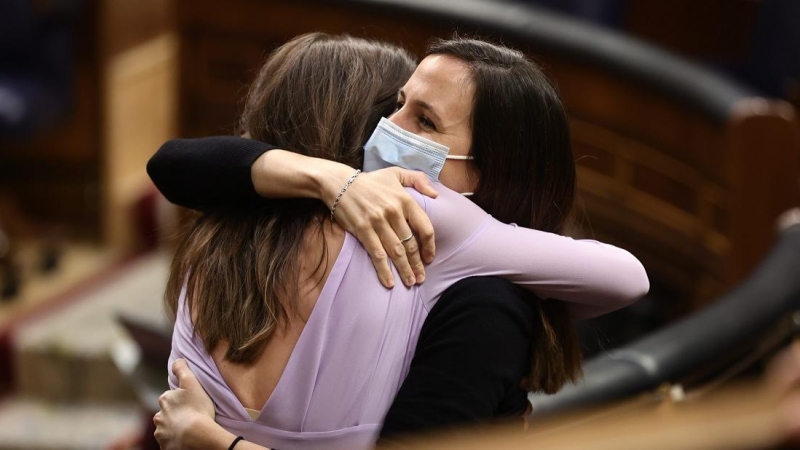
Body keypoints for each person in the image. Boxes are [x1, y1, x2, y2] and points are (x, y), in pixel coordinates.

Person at [153, 33, 649, 449]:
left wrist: (210, 438)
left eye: (425, 121)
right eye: (396, 105)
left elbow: (627, 277)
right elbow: (174, 164)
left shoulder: (447, 232)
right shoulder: (274, 210)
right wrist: (333, 180)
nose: (390, 127)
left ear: (486, 173)